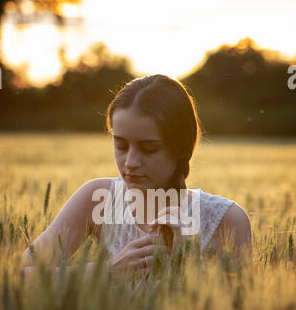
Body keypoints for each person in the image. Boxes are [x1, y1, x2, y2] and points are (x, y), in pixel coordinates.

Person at [21, 74, 252, 284]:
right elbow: (17, 278)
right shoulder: (97, 199)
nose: (130, 162)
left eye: (149, 148)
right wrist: (106, 272)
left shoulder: (227, 221)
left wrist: (185, 264)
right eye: (120, 145)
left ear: (181, 148)